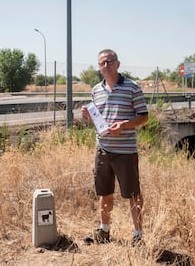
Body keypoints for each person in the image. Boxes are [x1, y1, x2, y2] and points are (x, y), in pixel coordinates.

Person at [81, 49, 149, 246]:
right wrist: (88, 116)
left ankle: (138, 235)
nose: (106, 66)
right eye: (102, 63)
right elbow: (99, 120)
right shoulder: (96, 90)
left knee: (133, 194)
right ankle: (104, 232)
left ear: (118, 64)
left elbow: (144, 117)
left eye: (109, 62)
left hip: (125, 152)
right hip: (103, 149)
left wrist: (124, 125)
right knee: (104, 192)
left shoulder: (132, 88)